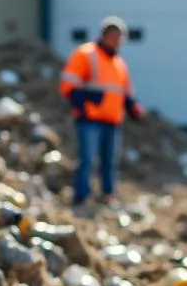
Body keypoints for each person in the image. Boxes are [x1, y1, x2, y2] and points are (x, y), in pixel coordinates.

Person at [59, 15, 144, 209]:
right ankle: (82, 196)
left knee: (109, 161)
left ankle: (107, 194)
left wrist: (133, 107)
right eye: (113, 36)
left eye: (119, 38)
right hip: (90, 119)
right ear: (104, 36)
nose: (116, 41)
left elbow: (124, 91)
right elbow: (68, 84)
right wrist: (84, 104)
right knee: (87, 159)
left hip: (112, 120)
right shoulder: (86, 54)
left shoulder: (119, 64)